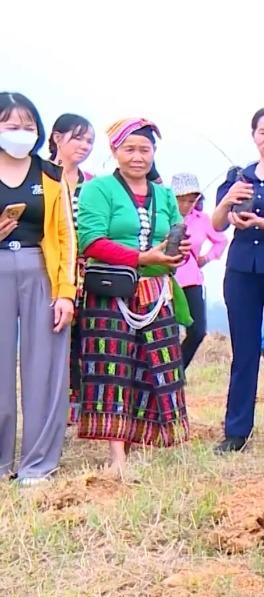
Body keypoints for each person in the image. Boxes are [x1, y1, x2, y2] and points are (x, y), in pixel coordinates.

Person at [74, 118, 191, 475]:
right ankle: (116, 457)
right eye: (130, 149)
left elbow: (174, 237)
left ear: (154, 153)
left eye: (145, 149)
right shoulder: (99, 190)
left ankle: (141, 441)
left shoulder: (165, 194)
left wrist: (177, 251)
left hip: (157, 291)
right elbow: (90, 241)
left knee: (154, 367)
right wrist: (142, 258)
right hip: (111, 290)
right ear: (115, 152)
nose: (138, 157)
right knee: (113, 369)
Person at [0, 93, 76, 485]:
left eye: (28, 125)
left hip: (40, 271)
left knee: (43, 369)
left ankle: (37, 464)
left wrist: (65, 292)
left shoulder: (50, 174)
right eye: (11, 125)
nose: (20, 133)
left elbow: (65, 235)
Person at [211, 107, 264, 453]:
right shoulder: (237, 178)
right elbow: (218, 224)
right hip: (241, 272)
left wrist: (261, 223)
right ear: (253, 135)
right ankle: (236, 431)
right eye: (263, 132)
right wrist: (229, 202)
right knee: (243, 351)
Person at [48, 113, 95, 426]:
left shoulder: (93, 183)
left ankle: (80, 407)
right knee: (55, 337)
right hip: (52, 268)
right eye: (77, 138)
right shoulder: (43, 177)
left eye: (89, 141)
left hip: (88, 271)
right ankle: (53, 405)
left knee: (84, 339)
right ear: (56, 138)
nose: (84, 145)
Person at [169, 173, 227, 370]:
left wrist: (206, 258)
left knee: (198, 330)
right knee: (167, 331)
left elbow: (221, 241)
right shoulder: (163, 216)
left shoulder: (202, 220)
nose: (186, 205)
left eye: (191, 200)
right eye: (182, 200)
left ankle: (177, 370)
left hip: (192, 279)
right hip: (166, 279)